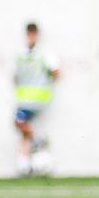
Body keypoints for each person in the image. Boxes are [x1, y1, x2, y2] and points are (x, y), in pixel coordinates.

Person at [14, 22, 60, 176]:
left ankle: (37, 141)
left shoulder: (45, 53)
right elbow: (16, 75)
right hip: (24, 99)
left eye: (34, 33)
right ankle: (25, 165)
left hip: (38, 99)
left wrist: (45, 85)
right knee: (24, 132)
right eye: (29, 33)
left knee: (19, 122)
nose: (31, 36)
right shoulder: (21, 54)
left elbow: (56, 71)